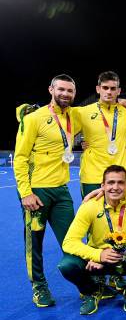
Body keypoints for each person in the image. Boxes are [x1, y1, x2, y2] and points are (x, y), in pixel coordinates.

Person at [14, 74, 80, 307]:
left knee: (72, 242)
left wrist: (121, 103)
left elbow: (98, 111)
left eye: (70, 91)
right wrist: (25, 193)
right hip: (37, 192)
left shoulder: (74, 116)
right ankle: (39, 287)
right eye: (61, 89)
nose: (65, 94)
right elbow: (20, 158)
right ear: (50, 89)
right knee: (35, 243)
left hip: (61, 192)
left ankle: (85, 284)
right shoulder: (34, 119)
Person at [58, 165, 126, 315]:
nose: (115, 187)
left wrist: (121, 252)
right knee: (66, 265)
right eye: (111, 182)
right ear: (103, 186)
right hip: (95, 262)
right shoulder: (89, 206)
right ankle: (93, 291)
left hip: (125, 256)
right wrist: (98, 255)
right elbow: (69, 242)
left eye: (120, 182)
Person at [73, 71, 126, 198]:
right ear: (98, 89)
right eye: (105, 88)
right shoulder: (83, 112)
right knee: (91, 215)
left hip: (119, 175)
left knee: (118, 215)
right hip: (92, 175)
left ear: (119, 91)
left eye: (113, 88)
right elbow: (59, 127)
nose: (109, 92)